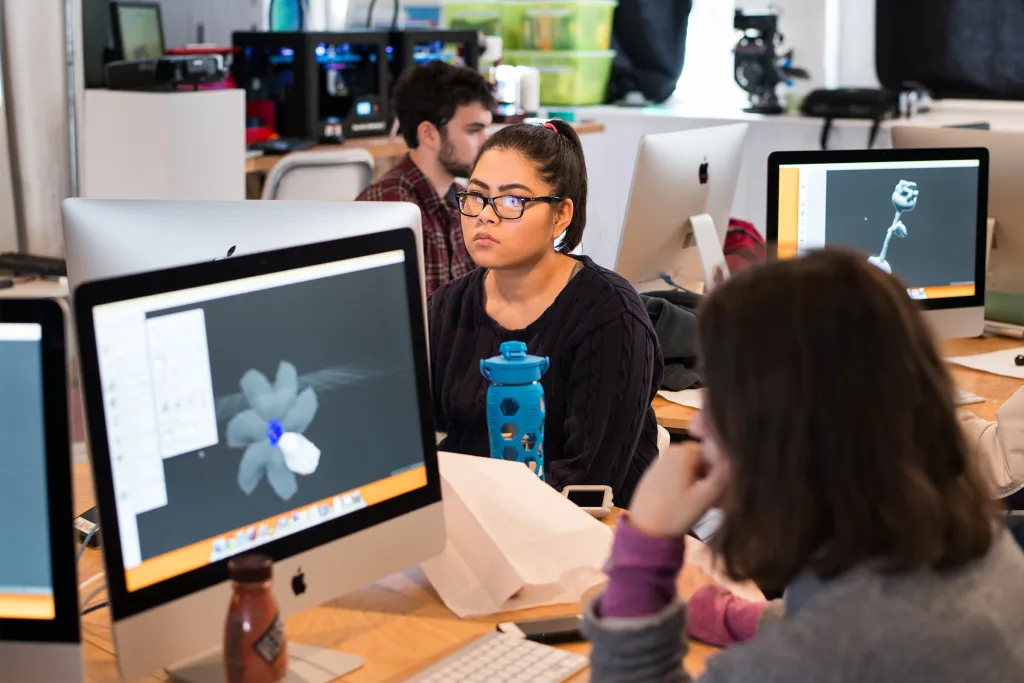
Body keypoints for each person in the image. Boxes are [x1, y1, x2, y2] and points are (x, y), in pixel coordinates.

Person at [583, 249, 1024, 682]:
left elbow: (834, 645)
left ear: (787, 431)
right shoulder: (976, 546)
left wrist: (646, 544)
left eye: (722, 396)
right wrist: (726, 614)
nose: (698, 423)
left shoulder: (831, 649)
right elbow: (847, 626)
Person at [428, 120, 663, 505]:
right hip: (474, 515)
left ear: (560, 215)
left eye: (512, 201)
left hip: (586, 527)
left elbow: (588, 481)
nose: (485, 215)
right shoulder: (445, 308)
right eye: (476, 196)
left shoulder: (611, 316)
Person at [357, 61, 495, 295]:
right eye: (473, 130)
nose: (486, 141)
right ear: (429, 134)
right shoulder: (389, 207)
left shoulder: (461, 198)